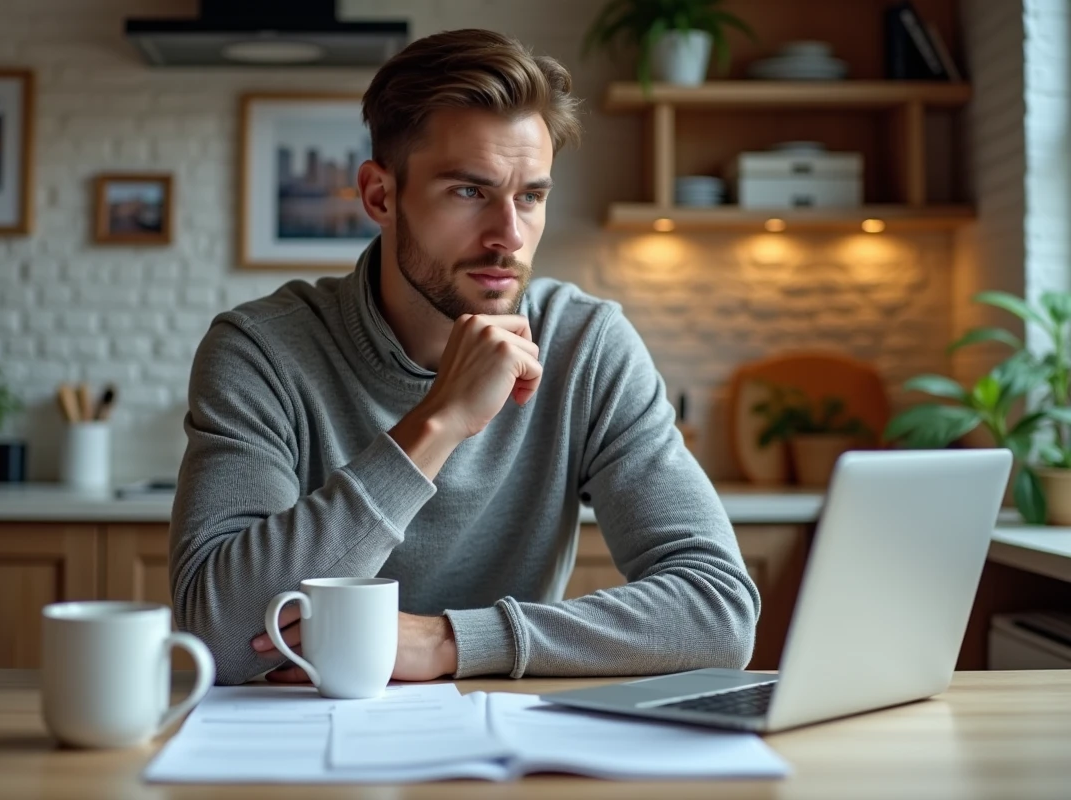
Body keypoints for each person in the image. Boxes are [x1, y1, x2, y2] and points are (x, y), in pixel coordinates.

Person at [170, 28, 759, 686]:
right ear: (379, 196)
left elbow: (719, 612)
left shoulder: (585, 345)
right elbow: (216, 638)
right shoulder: (263, 349)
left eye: (530, 196)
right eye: (469, 192)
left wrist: (450, 642)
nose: (508, 236)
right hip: (290, 745)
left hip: (503, 742)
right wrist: (440, 421)